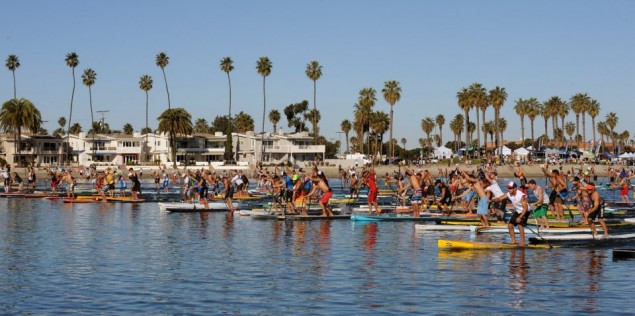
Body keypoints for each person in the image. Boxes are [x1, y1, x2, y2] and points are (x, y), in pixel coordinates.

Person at [492, 181, 529, 246]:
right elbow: (500, 198)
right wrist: (492, 200)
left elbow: (525, 208)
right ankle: (513, 241)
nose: (509, 189)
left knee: (519, 225)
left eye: (510, 188)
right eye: (508, 188)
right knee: (510, 225)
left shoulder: (521, 196)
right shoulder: (509, 194)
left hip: (525, 211)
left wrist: (520, 217)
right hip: (518, 211)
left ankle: (522, 242)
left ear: (515, 188)